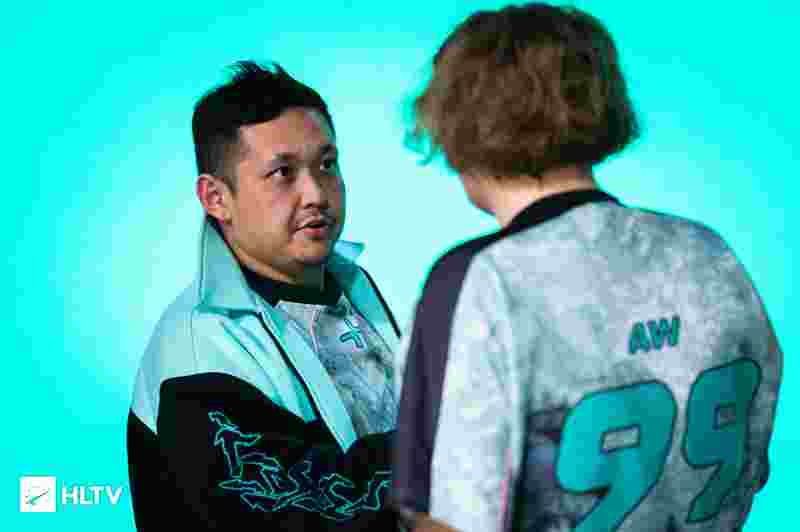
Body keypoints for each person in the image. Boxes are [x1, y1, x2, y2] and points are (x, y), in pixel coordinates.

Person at [391, 4, 783, 532]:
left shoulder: (482, 280)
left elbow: (450, 521)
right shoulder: (710, 255)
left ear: (457, 124)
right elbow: (753, 463)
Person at [127, 61, 401, 531]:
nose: (316, 194)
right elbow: (307, 517)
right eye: (282, 173)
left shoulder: (353, 286)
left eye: (327, 165)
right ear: (216, 198)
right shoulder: (200, 350)